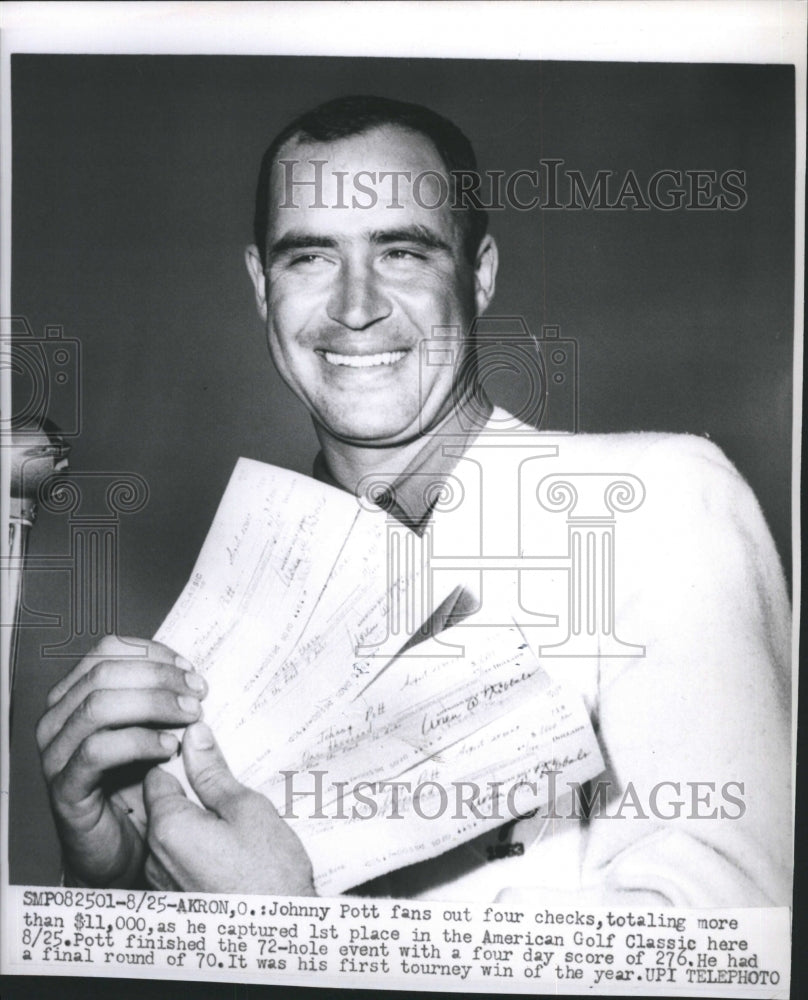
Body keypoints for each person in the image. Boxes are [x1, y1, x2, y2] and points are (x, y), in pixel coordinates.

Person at [35, 95, 792, 905]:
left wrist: (290, 937)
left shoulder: (663, 506)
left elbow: (719, 948)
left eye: (401, 252)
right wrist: (108, 885)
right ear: (261, 287)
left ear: (481, 272)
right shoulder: (225, 623)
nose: (356, 307)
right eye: (309, 257)